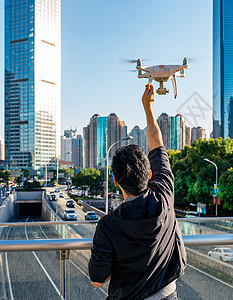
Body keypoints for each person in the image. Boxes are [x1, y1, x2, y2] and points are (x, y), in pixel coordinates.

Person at [89, 84, 187, 299]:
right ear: (150, 174)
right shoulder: (164, 194)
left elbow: (97, 280)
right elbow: (157, 144)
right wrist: (148, 107)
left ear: (115, 181)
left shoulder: (108, 226)